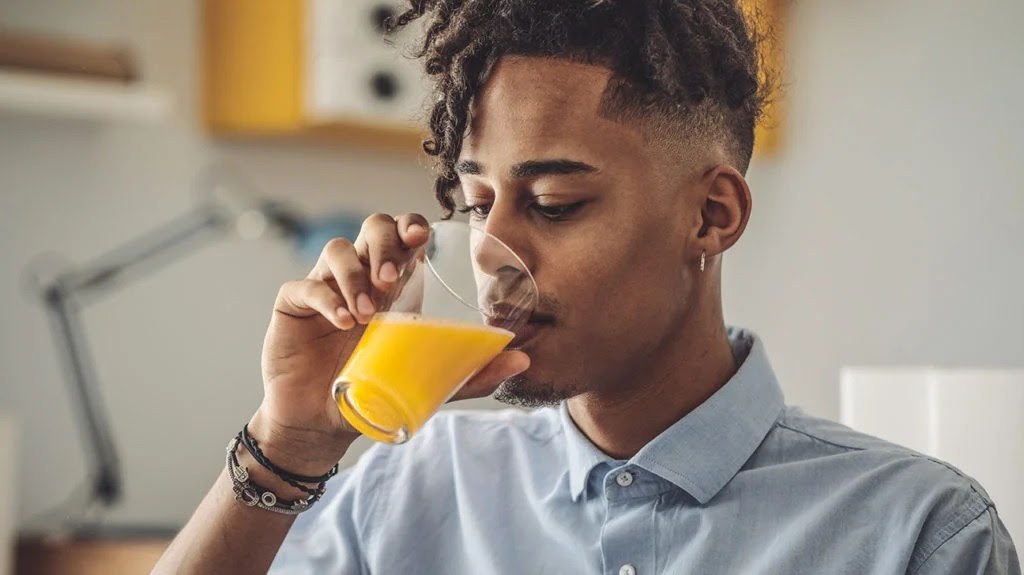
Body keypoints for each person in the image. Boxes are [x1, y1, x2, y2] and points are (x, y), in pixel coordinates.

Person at [154, 1, 1020, 573]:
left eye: (555, 203)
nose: (492, 252)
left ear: (712, 216)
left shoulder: (917, 533)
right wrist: (289, 441)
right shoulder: (403, 491)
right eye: (476, 202)